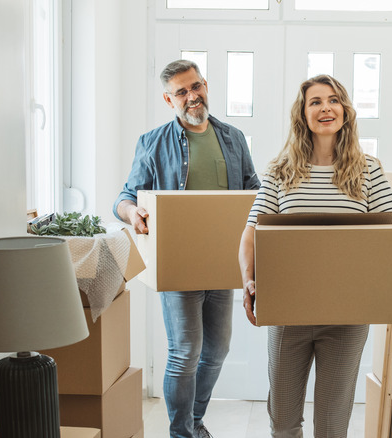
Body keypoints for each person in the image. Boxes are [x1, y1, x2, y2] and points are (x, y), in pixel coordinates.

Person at [238, 74, 392, 438]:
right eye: (315, 101)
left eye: (333, 100)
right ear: (303, 114)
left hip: (347, 314)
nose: (325, 107)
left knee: (331, 424)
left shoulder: (368, 171)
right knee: (282, 421)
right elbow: (251, 233)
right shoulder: (280, 171)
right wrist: (247, 278)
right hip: (287, 311)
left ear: (345, 110)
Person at [114, 59, 260, 438]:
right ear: (169, 99)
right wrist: (132, 212)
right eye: (182, 92)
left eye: (196, 86)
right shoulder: (152, 142)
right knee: (185, 352)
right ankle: (182, 433)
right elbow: (126, 196)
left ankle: (193, 422)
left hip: (223, 261)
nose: (192, 96)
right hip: (178, 264)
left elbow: (254, 191)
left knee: (217, 350)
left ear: (206, 85)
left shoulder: (233, 138)